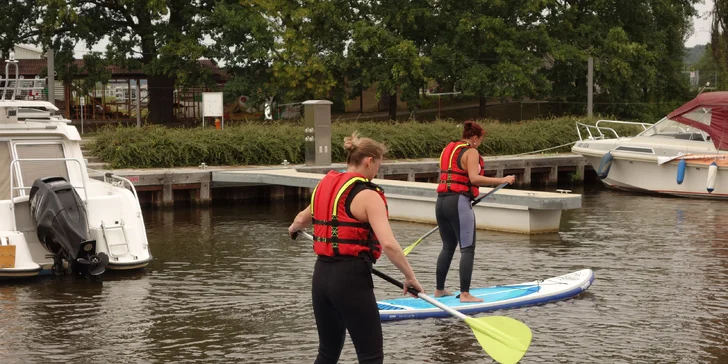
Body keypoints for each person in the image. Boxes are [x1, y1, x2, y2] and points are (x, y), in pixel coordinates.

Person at [288, 132, 424, 364]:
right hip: (350, 279)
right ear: (369, 161)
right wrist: (410, 277)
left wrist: (292, 229)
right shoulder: (369, 195)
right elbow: (389, 244)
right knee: (371, 356)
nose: (377, 172)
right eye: (378, 166)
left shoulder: (325, 185)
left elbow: (300, 220)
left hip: (321, 277)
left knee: (328, 352)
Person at [434, 121, 515, 303]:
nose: (480, 144)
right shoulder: (471, 151)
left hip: (441, 202)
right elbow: (474, 178)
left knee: (448, 246)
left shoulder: (449, 149)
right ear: (475, 138)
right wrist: (503, 179)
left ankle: (439, 290)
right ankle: (465, 294)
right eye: (480, 140)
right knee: (467, 248)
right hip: (458, 202)